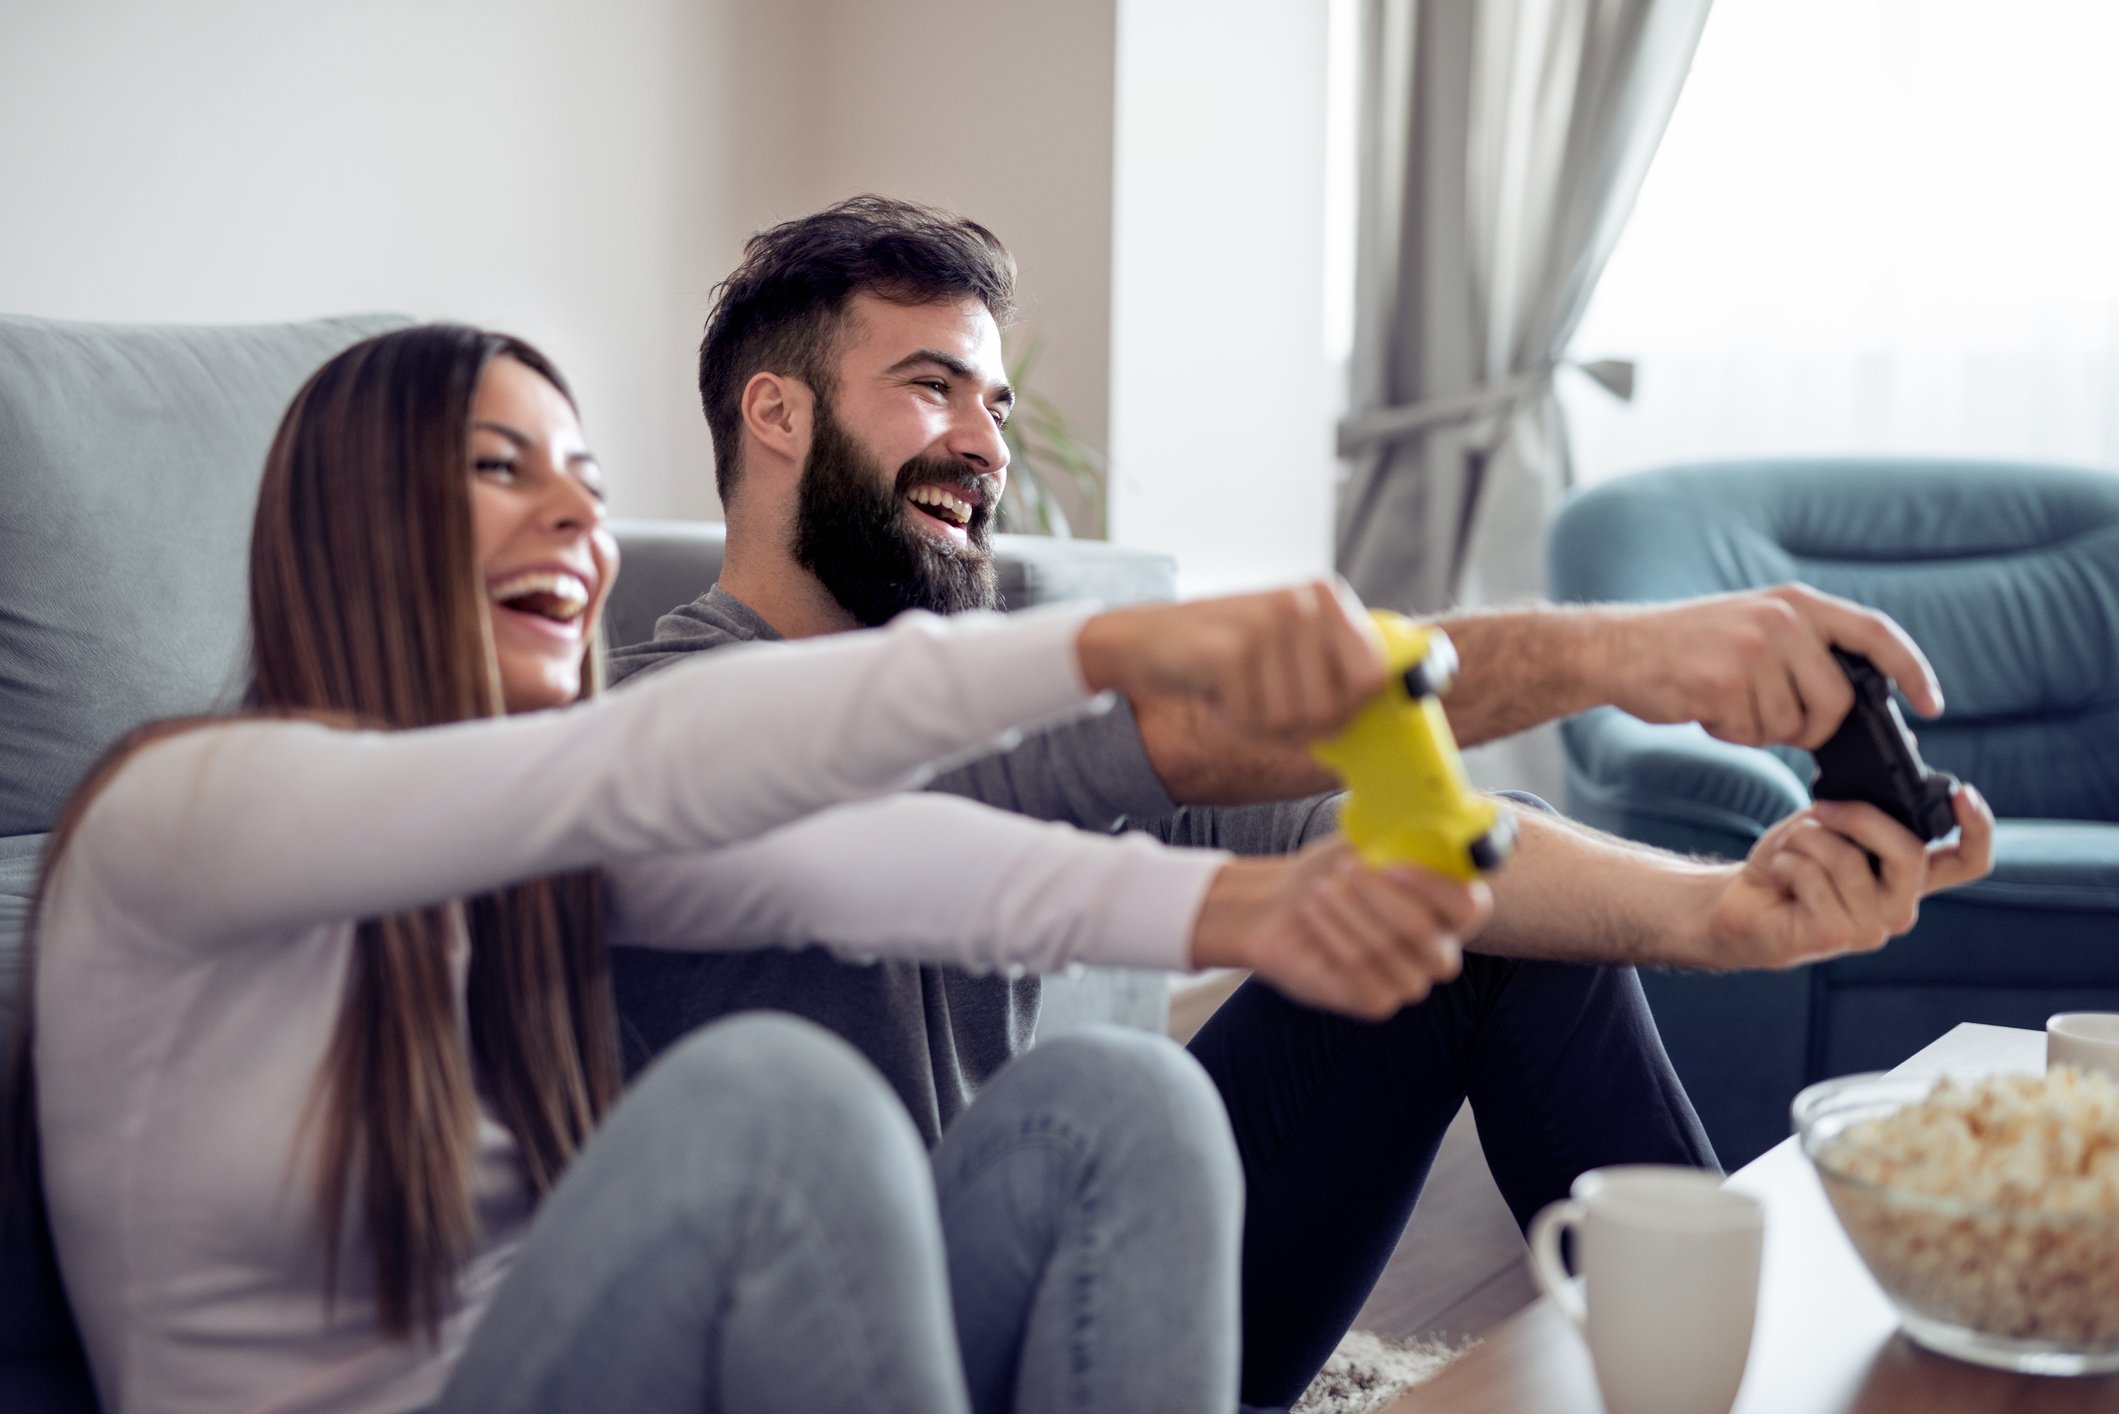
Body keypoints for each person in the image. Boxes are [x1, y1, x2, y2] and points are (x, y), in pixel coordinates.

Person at [608, 195, 1999, 1408]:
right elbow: (1201, 730)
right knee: (1121, 1082)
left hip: (1078, 1285)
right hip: (851, 1358)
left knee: (1456, 912)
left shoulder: (969, 681)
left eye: (997, 402)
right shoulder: (682, 721)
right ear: (775, 412)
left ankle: (1705, 1374)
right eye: (931, 385)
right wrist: (1627, 652)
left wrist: (1728, 913)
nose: (986, 443)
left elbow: (1384, 818)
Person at [9, 323, 1493, 1414]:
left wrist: (1241, 909)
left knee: (1122, 1097)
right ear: (354, 523)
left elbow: (844, 863)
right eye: (498, 466)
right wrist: (1105, 643)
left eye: (587, 478)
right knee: (774, 1106)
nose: (581, 516)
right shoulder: (186, 809)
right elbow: (652, 760)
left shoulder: (533, 856)